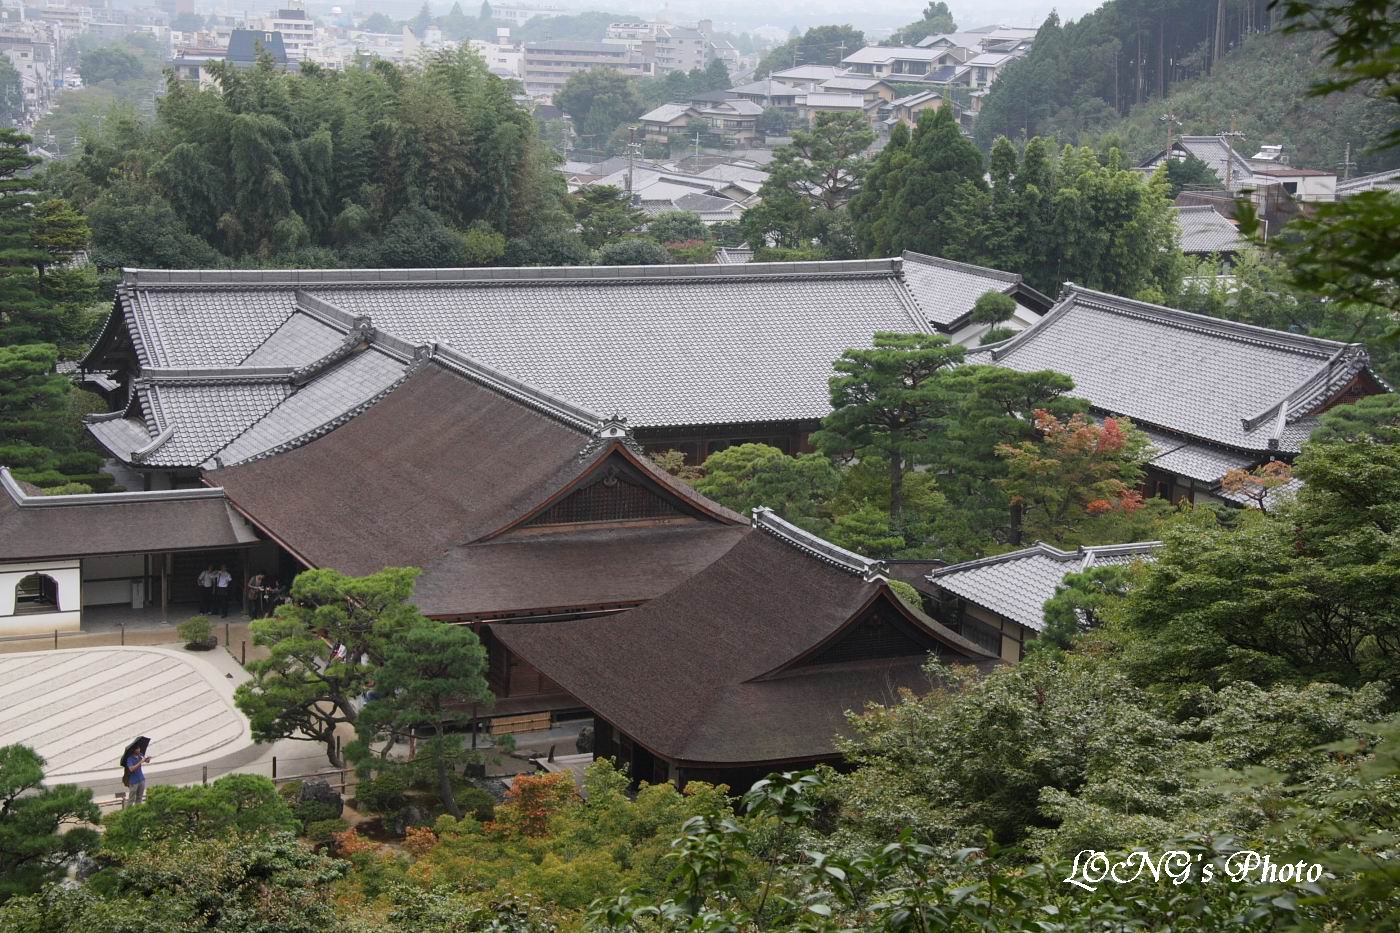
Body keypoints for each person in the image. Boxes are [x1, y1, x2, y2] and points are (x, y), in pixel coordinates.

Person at [120, 737, 151, 808]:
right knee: (131, 799)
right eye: (137, 749)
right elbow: (131, 769)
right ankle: (129, 813)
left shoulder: (140, 755)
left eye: (139, 748)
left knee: (139, 798)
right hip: (134, 781)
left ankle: (138, 811)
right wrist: (141, 762)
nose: (139, 750)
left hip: (141, 779)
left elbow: (147, 761)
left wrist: (147, 759)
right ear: (134, 750)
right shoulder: (129, 759)